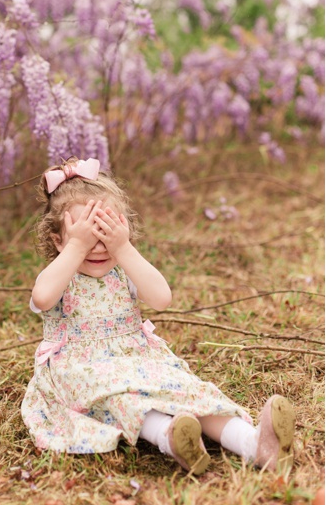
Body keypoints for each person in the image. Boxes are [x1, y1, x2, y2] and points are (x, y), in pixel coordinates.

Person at [21, 157, 295, 475]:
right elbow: (42, 297)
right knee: (125, 399)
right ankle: (172, 438)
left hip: (139, 359)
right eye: (86, 238)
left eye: (106, 234)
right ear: (58, 241)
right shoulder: (59, 276)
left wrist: (123, 248)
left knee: (188, 392)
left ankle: (253, 443)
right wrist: (75, 249)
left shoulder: (123, 269)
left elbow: (162, 298)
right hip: (83, 371)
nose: (97, 247)